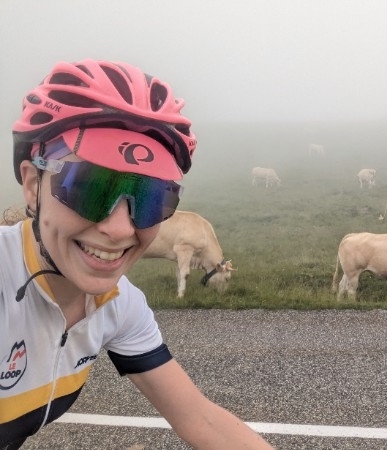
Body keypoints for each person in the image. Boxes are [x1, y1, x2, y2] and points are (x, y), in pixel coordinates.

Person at [0, 59, 274, 450]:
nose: (120, 229)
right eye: (88, 188)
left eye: (149, 198)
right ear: (32, 185)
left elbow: (201, 419)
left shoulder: (118, 303)